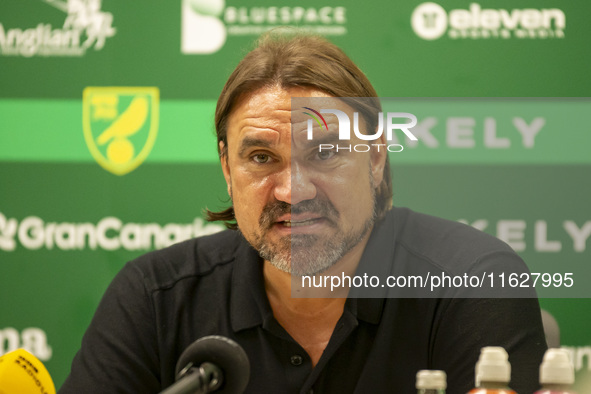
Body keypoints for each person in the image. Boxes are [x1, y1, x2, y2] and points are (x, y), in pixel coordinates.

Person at [59, 33, 547, 394]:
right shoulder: (155, 297)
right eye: (261, 158)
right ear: (228, 170)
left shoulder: (474, 282)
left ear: (375, 159)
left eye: (326, 152)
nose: (293, 191)